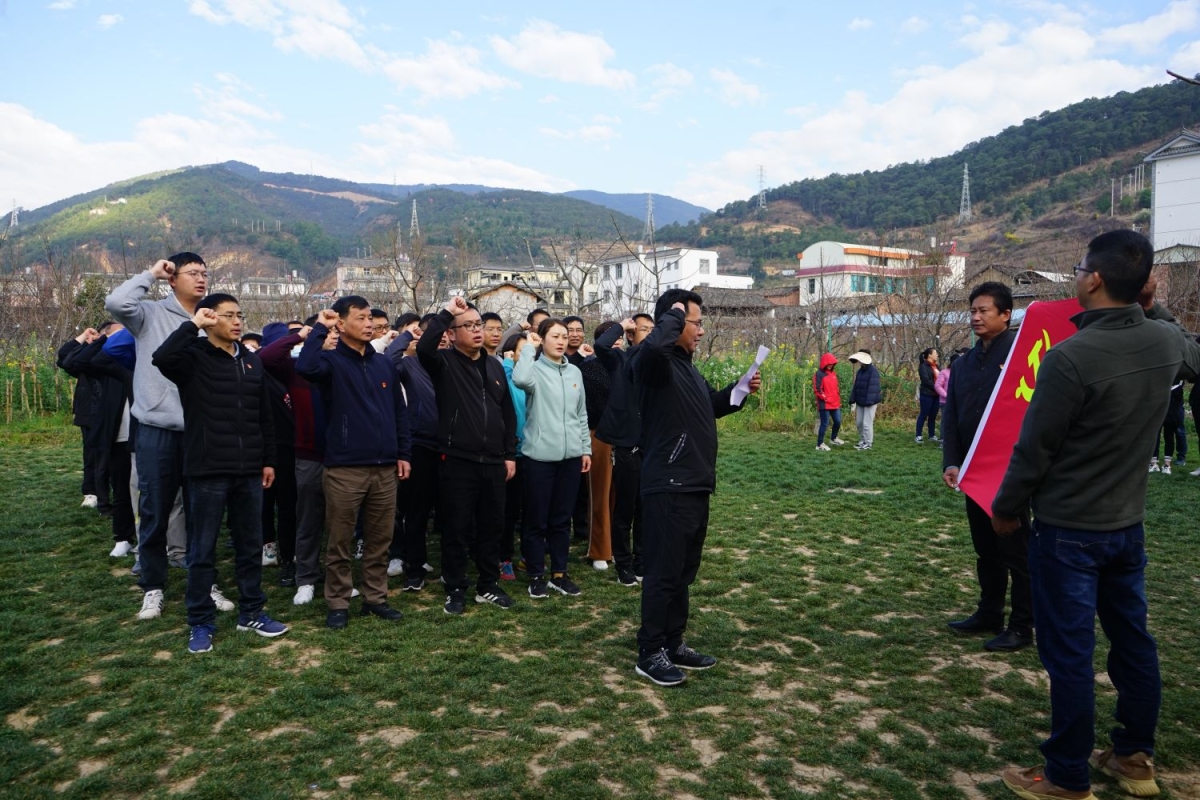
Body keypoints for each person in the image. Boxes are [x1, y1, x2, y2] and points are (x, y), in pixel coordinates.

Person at [991, 230, 1200, 800]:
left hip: (1068, 533)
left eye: (1081, 267)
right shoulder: (1165, 342)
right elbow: (1194, 354)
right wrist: (1155, 310)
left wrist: (1006, 509)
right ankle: (1134, 756)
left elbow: (1034, 450)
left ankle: (1066, 776)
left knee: (1070, 655)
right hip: (1127, 527)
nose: (1078, 275)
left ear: (1096, 280)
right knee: (1133, 641)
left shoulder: (1070, 358)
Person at [631, 289, 760, 686]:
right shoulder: (655, 364)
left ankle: (673, 643)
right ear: (673, 323)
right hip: (668, 483)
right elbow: (653, 349)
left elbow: (710, 406)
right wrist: (671, 315)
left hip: (695, 483)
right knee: (663, 572)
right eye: (696, 323)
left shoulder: (687, 368)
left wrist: (739, 390)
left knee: (683, 572)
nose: (702, 331)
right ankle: (650, 651)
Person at [152, 294, 288, 653]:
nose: (237, 321)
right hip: (208, 468)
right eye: (228, 315)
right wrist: (193, 325)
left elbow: (264, 415)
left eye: (239, 315)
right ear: (210, 319)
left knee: (249, 545)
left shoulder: (251, 360)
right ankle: (200, 622)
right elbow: (161, 358)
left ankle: (252, 612)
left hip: (249, 469)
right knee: (202, 549)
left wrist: (268, 460)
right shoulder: (192, 357)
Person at [296, 297, 412, 630]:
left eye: (370, 318)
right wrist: (320, 327)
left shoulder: (383, 364)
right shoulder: (330, 361)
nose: (368, 323)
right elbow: (305, 368)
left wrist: (403, 453)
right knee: (340, 540)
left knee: (379, 539)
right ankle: (338, 601)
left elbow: (399, 412)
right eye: (360, 318)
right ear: (342, 323)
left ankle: (376, 597)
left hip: (385, 466)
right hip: (345, 467)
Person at [105, 254, 210, 620]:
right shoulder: (150, 314)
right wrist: (151, 273)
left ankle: (205, 583)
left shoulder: (210, 317)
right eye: (192, 273)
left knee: (202, 511)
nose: (201, 279)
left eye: (204, 273)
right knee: (154, 510)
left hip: (199, 429)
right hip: (156, 428)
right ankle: (153, 586)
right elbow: (117, 302)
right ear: (173, 278)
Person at [941, 282, 1033, 653]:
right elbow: (952, 417)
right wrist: (952, 461)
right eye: (973, 311)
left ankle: (1022, 626)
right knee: (986, 548)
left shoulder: (1023, 358)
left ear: (1006, 315)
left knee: (1016, 551)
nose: (976, 317)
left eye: (984, 311)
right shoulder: (963, 364)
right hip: (973, 471)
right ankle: (990, 612)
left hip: (1011, 472)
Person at [418, 297, 518, 615]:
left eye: (479, 325)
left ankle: (488, 585)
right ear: (451, 333)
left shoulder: (494, 365)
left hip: (494, 461)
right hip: (458, 459)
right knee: (457, 528)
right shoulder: (444, 363)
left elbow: (507, 412)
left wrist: (509, 453)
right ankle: (455, 588)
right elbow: (424, 348)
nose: (477, 331)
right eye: (469, 326)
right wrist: (447, 312)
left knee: (492, 527)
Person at [513, 319, 592, 598]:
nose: (561, 341)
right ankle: (536, 575)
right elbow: (520, 380)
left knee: (561, 520)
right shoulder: (533, 369)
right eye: (555, 336)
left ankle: (559, 574)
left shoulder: (574, 372)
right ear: (543, 339)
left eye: (564, 336)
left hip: (570, 457)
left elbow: (581, 414)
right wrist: (528, 349)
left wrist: (585, 449)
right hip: (539, 458)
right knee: (536, 520)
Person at [64, 324, 136, 556]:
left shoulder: (147, 360)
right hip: (119, 436)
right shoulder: (111, 366)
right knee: (121, 490)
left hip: (148, 436)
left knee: (152, 491)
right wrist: (105, 338)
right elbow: (77, 362)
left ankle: (157, 541)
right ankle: (123, 538)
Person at [384, 315, 441, 591]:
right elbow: (388, 360)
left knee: (451, 511)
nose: (442, 338)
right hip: (421, 444)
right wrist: (407, 336)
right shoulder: (409, 363)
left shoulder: (451, 362)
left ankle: (450, 567)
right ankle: (414, 568)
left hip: (452, 446)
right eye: (435, 334)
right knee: (417, 512)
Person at [597, 315, 652, 587]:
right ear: (631, 335)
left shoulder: (657, 364)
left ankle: (642, 560)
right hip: (627, 445)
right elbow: (601, 346)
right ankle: (623, 563)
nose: (651, 334)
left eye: (654, 330)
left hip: (651, 445)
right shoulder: (620, 359)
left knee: (646, 508)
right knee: (625, 508)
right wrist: (622, 326)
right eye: (644, 329)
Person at [581, 321, 620, 571]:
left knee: (620, 495)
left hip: (624, 437)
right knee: (600, 494)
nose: (617, 343)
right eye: (611, 338)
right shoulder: (590, 367)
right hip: (598, 434)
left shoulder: (627, 365)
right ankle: (599, 550)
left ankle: (616, 547)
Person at [499, 331, 530, 582]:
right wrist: (508, 363)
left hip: (533, 453)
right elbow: (502, 386)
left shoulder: (533, 379)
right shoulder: (505, 375)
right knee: (508, 511)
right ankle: (504, 558)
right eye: (521, 351)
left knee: (530, 510)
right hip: (510, 454)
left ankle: (528, 555)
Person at [847, 350, 881, 450]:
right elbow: (856, 386)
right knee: (859, 423)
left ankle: (868, 443)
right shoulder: (860, 372)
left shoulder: (873, 371)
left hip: (870, 402)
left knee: (867, 424)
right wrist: (852, 399)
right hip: (860, 401)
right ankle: (862, 440)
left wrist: (869, 401)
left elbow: (874, 388)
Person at [812, 353, 844, 451]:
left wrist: (838, 399)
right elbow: (817, 389)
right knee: (825, 424)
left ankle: (833, 438)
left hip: (835, 403)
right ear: (824, 363)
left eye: (832, 364)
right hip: (824, 403)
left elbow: (836, 388)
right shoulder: (819, 374)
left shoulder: (833, 373)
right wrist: (825, 398)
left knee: (838, 421)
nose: (830, 365)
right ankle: (819, 444)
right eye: (829, 364)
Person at [916, 347, 940, 443]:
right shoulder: (923, 366)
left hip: (936, 395)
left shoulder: (937, 366)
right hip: (927, 394)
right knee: (924, 414)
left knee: (933, 415)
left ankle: (931, 435)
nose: (937, 355)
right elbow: (926, 381)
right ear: (930, 355)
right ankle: (918, 435)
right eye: (935, 353)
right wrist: (937, 387)